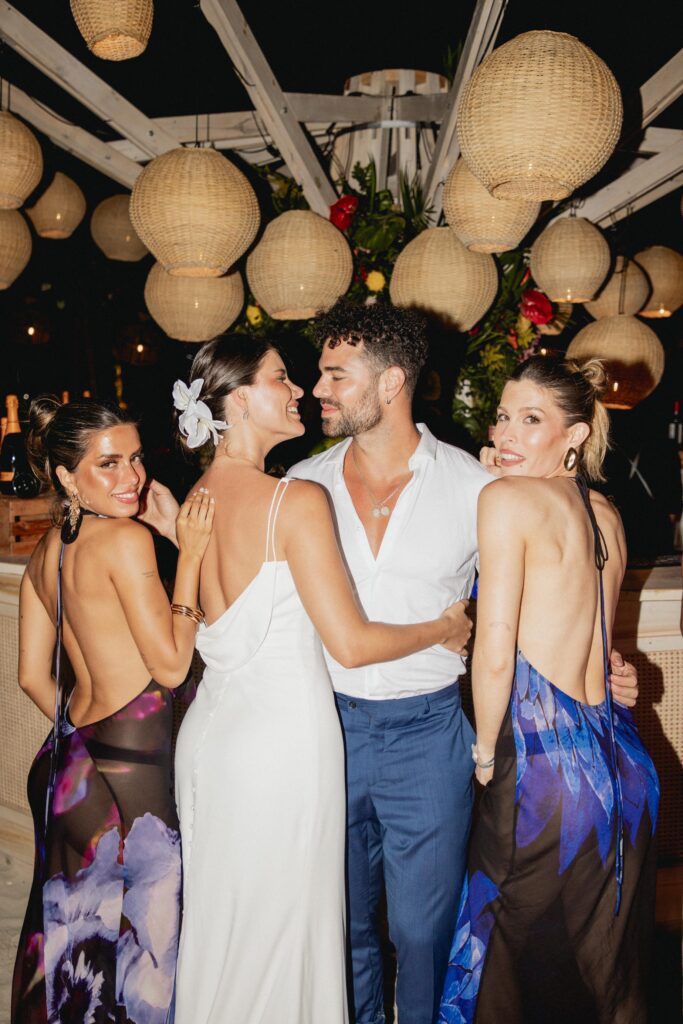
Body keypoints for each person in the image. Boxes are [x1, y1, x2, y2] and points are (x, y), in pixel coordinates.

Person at [287, 301, 641, 1024]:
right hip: (324, 726)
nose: (316, 390)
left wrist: (606, 667)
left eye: (333, 375)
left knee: (429, 934)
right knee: (344, 926)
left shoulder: (478, 487)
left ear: (390, 383)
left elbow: (527, 618)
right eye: (503, 418)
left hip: (431, 736)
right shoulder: (300, 486)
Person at [170, 336, 471, 1024]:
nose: (300, 388)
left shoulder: (197, 497)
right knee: (285, 937)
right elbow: (353, 643)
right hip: (281, 750)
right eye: (282, 378)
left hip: (214, 742)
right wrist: (442, 629)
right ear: (239, 399)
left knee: (229, 929)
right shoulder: (296, 497)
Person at [439, 358, 659, 1024]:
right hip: (621, 765)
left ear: (575, 433)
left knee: (497, 954)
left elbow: (497, 651)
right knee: (608, 973)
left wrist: (480, 754)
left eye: (530, 419)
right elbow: (590, 633)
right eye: (503, 415)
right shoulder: (605, 513)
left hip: (545, 774)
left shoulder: (505, 501)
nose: (506, 431)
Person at [12, 396, 214, 1024]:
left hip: (68, 762)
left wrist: (80, 750)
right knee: (144, 958)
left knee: (77, 947)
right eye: (108, 464)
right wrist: (190, 548)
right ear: (67, 476)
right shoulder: (125, 542)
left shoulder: (47, 554)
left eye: (134, 458)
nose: (132, 478)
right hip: (133, 769)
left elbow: (28, 676)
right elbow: (173, 665)